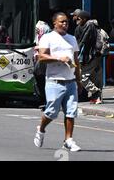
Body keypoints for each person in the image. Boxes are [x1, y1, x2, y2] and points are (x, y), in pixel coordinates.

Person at [33, 12, 83, 152]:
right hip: (54, 81)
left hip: (70, 81)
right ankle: (41, 129)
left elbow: (76, 61)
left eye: (66, 22)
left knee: (71, 112)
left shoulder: (72, 39)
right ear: (54, 23)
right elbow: (42, 57)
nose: (65, 24)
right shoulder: (48, 38)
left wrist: (78, 80)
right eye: (62, 22)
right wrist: (59, 59)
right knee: (52, 112)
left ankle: (68, 140)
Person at [75, 10, 103, 104]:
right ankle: (97, 98)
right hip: (88, 56)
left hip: (93, 55)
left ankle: (96, 92)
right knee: (94, 77)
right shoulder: (79, 27)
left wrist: (76, 54)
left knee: (82, 77)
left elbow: (83, 41)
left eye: (78, 17)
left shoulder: (90, 26)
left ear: (84, 18)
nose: (76, 19)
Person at [33, 20, 52, 110]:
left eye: (38, 30)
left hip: (44, 59)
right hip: (39, 58)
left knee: (43, 79)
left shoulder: (46, 35)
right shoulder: (40, 35)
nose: (36, 31)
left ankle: (46, 101)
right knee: (39, 78)